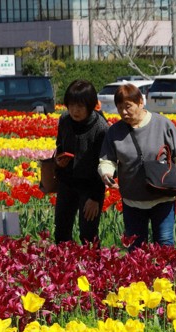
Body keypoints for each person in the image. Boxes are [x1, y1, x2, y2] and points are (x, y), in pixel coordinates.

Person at [99, 83, 176, 249]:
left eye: (128, 106)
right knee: (135, 248)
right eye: (119, 108)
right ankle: (139, 276)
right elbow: (108, 160)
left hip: (163, 196)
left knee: (164, 244)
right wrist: (106, 174)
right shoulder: (115, 131)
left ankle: (166, 275)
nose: (124, 112)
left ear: (141, 102)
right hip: (132, 199)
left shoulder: (162, 124)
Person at [53, 79, 110, 245]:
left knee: (88, 235)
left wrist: (95, 197)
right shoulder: (64, 120)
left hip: (90, 186)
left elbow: (105, 163)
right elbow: (60, 145)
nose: (74, 110)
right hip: (67, 182)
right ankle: (63, 269)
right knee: (61, 232)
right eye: (71, 105)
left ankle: (93, 269)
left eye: (80, 106)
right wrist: (60, 162)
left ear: (90, 105)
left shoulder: (101, 128)